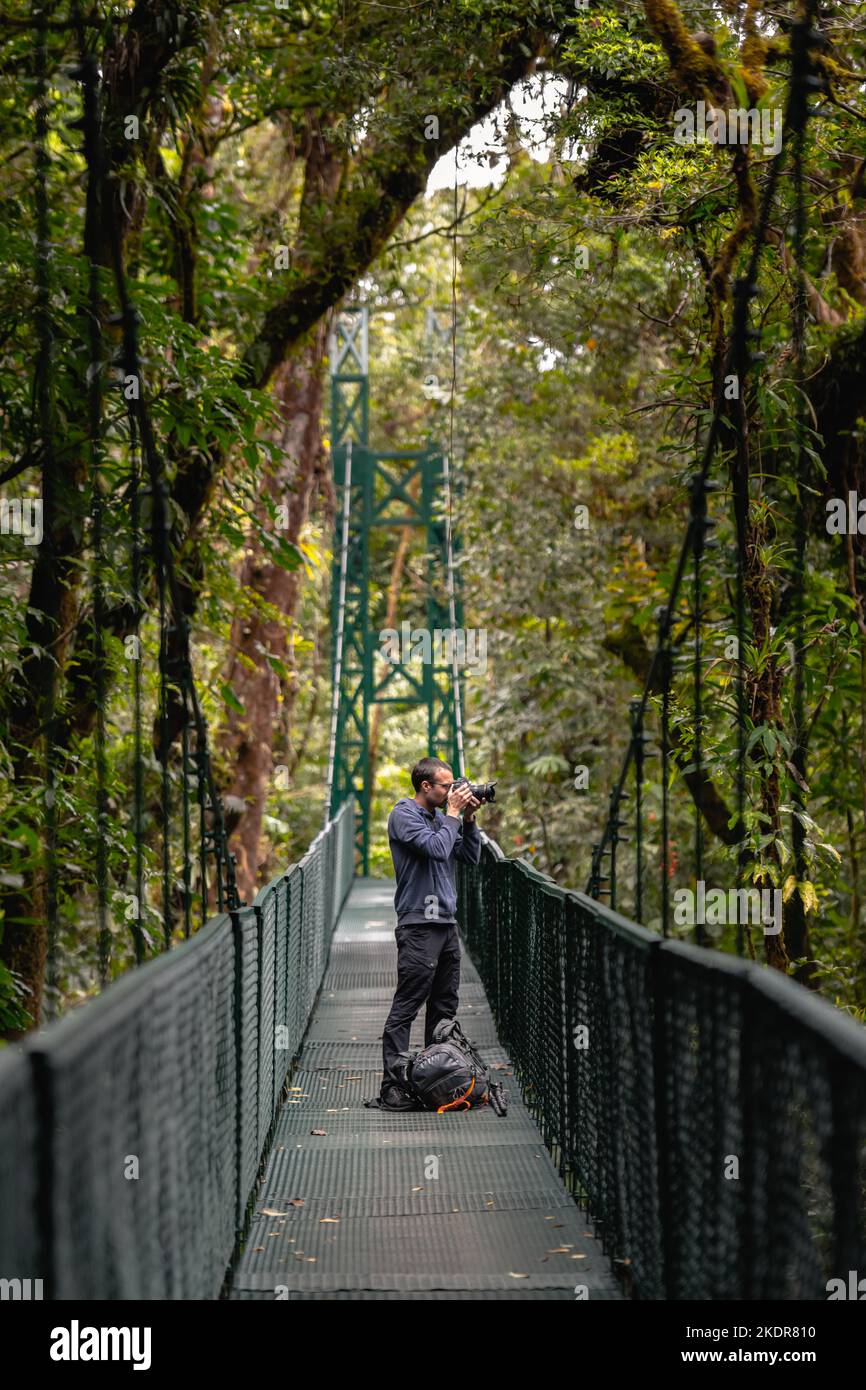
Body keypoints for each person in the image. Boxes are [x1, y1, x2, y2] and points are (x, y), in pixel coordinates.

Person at [367, 756, 482, 1110]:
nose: (452, 791)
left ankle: (437, 1077)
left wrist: (468, 818)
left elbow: (470, 856)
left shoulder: (441, 817)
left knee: (444, 1005)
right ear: (425, 786)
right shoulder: (403, 815)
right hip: (419, 923)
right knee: (408, 1003)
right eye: (446, 786)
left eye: (453, 786)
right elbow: (435, 849)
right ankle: (392, 1084)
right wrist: (452, 814)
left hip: (446, 923)